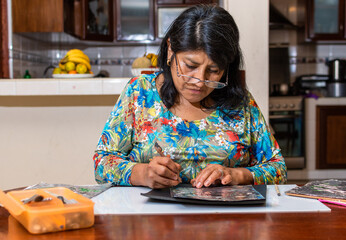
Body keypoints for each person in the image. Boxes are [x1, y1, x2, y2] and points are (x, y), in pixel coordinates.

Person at [93, 5, 287, 189]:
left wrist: (236, 175)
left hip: (225, 218)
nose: (200, 81)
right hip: (152, 218)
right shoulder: (140, 92)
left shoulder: (240, 102)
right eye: (190, 66)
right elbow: (102, 163)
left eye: (213, 70)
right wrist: (142, 174)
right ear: (170, 50)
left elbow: (278, 170)